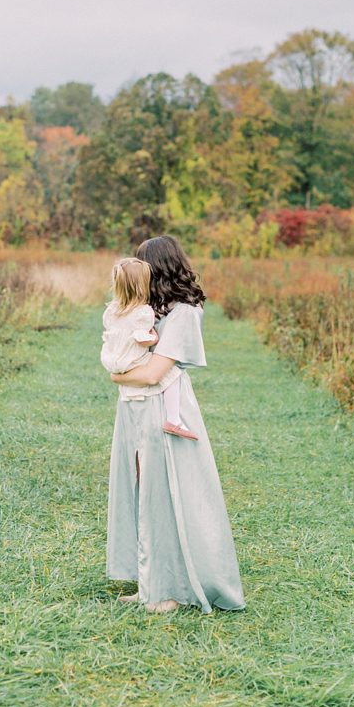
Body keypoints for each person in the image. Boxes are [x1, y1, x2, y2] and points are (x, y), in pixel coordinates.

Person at [105, 234, 245, 614]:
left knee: (167, 496)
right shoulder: (149, 310)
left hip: (162, 411)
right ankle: (151, 580)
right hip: (133, 411)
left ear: (158, 267)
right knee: (141, 493)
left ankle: (171, 589)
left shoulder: (183, 313)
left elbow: (152, 374)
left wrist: (118, 375)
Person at [100, 257, 198, 440]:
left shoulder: (111, 310)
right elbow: (143, 339)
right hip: (133, 359)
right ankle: (173, 419)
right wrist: (154, 338)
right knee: (173, 374)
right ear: (142, 285)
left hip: (114, 359)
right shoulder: (144, 312)